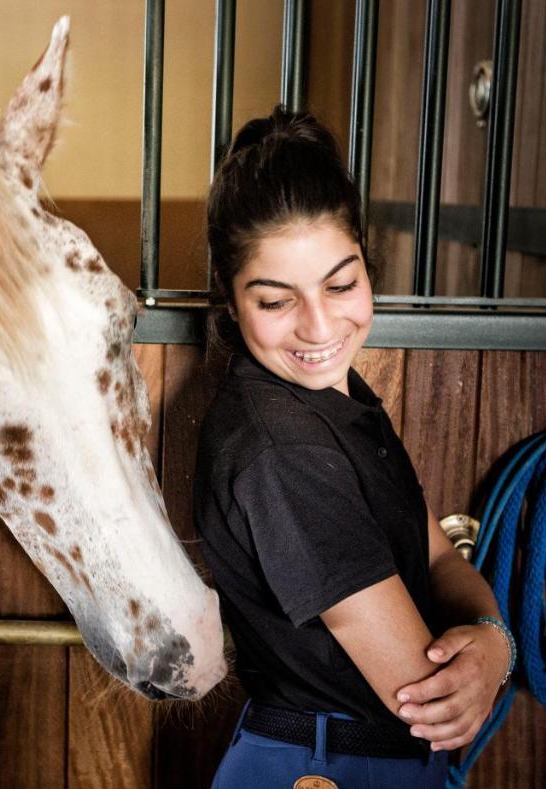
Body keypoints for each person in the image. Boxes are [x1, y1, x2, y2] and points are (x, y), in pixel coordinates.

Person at [193, 106, 515, 788]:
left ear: (367, 261)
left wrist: (490, 635)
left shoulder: (338, 395)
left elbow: (432, 553)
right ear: (228, 295)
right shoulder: (278, 447)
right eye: (276, 300)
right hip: (324, 767)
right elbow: (422, 691)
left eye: (341, 283)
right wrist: (494, 648)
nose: (319, 325)